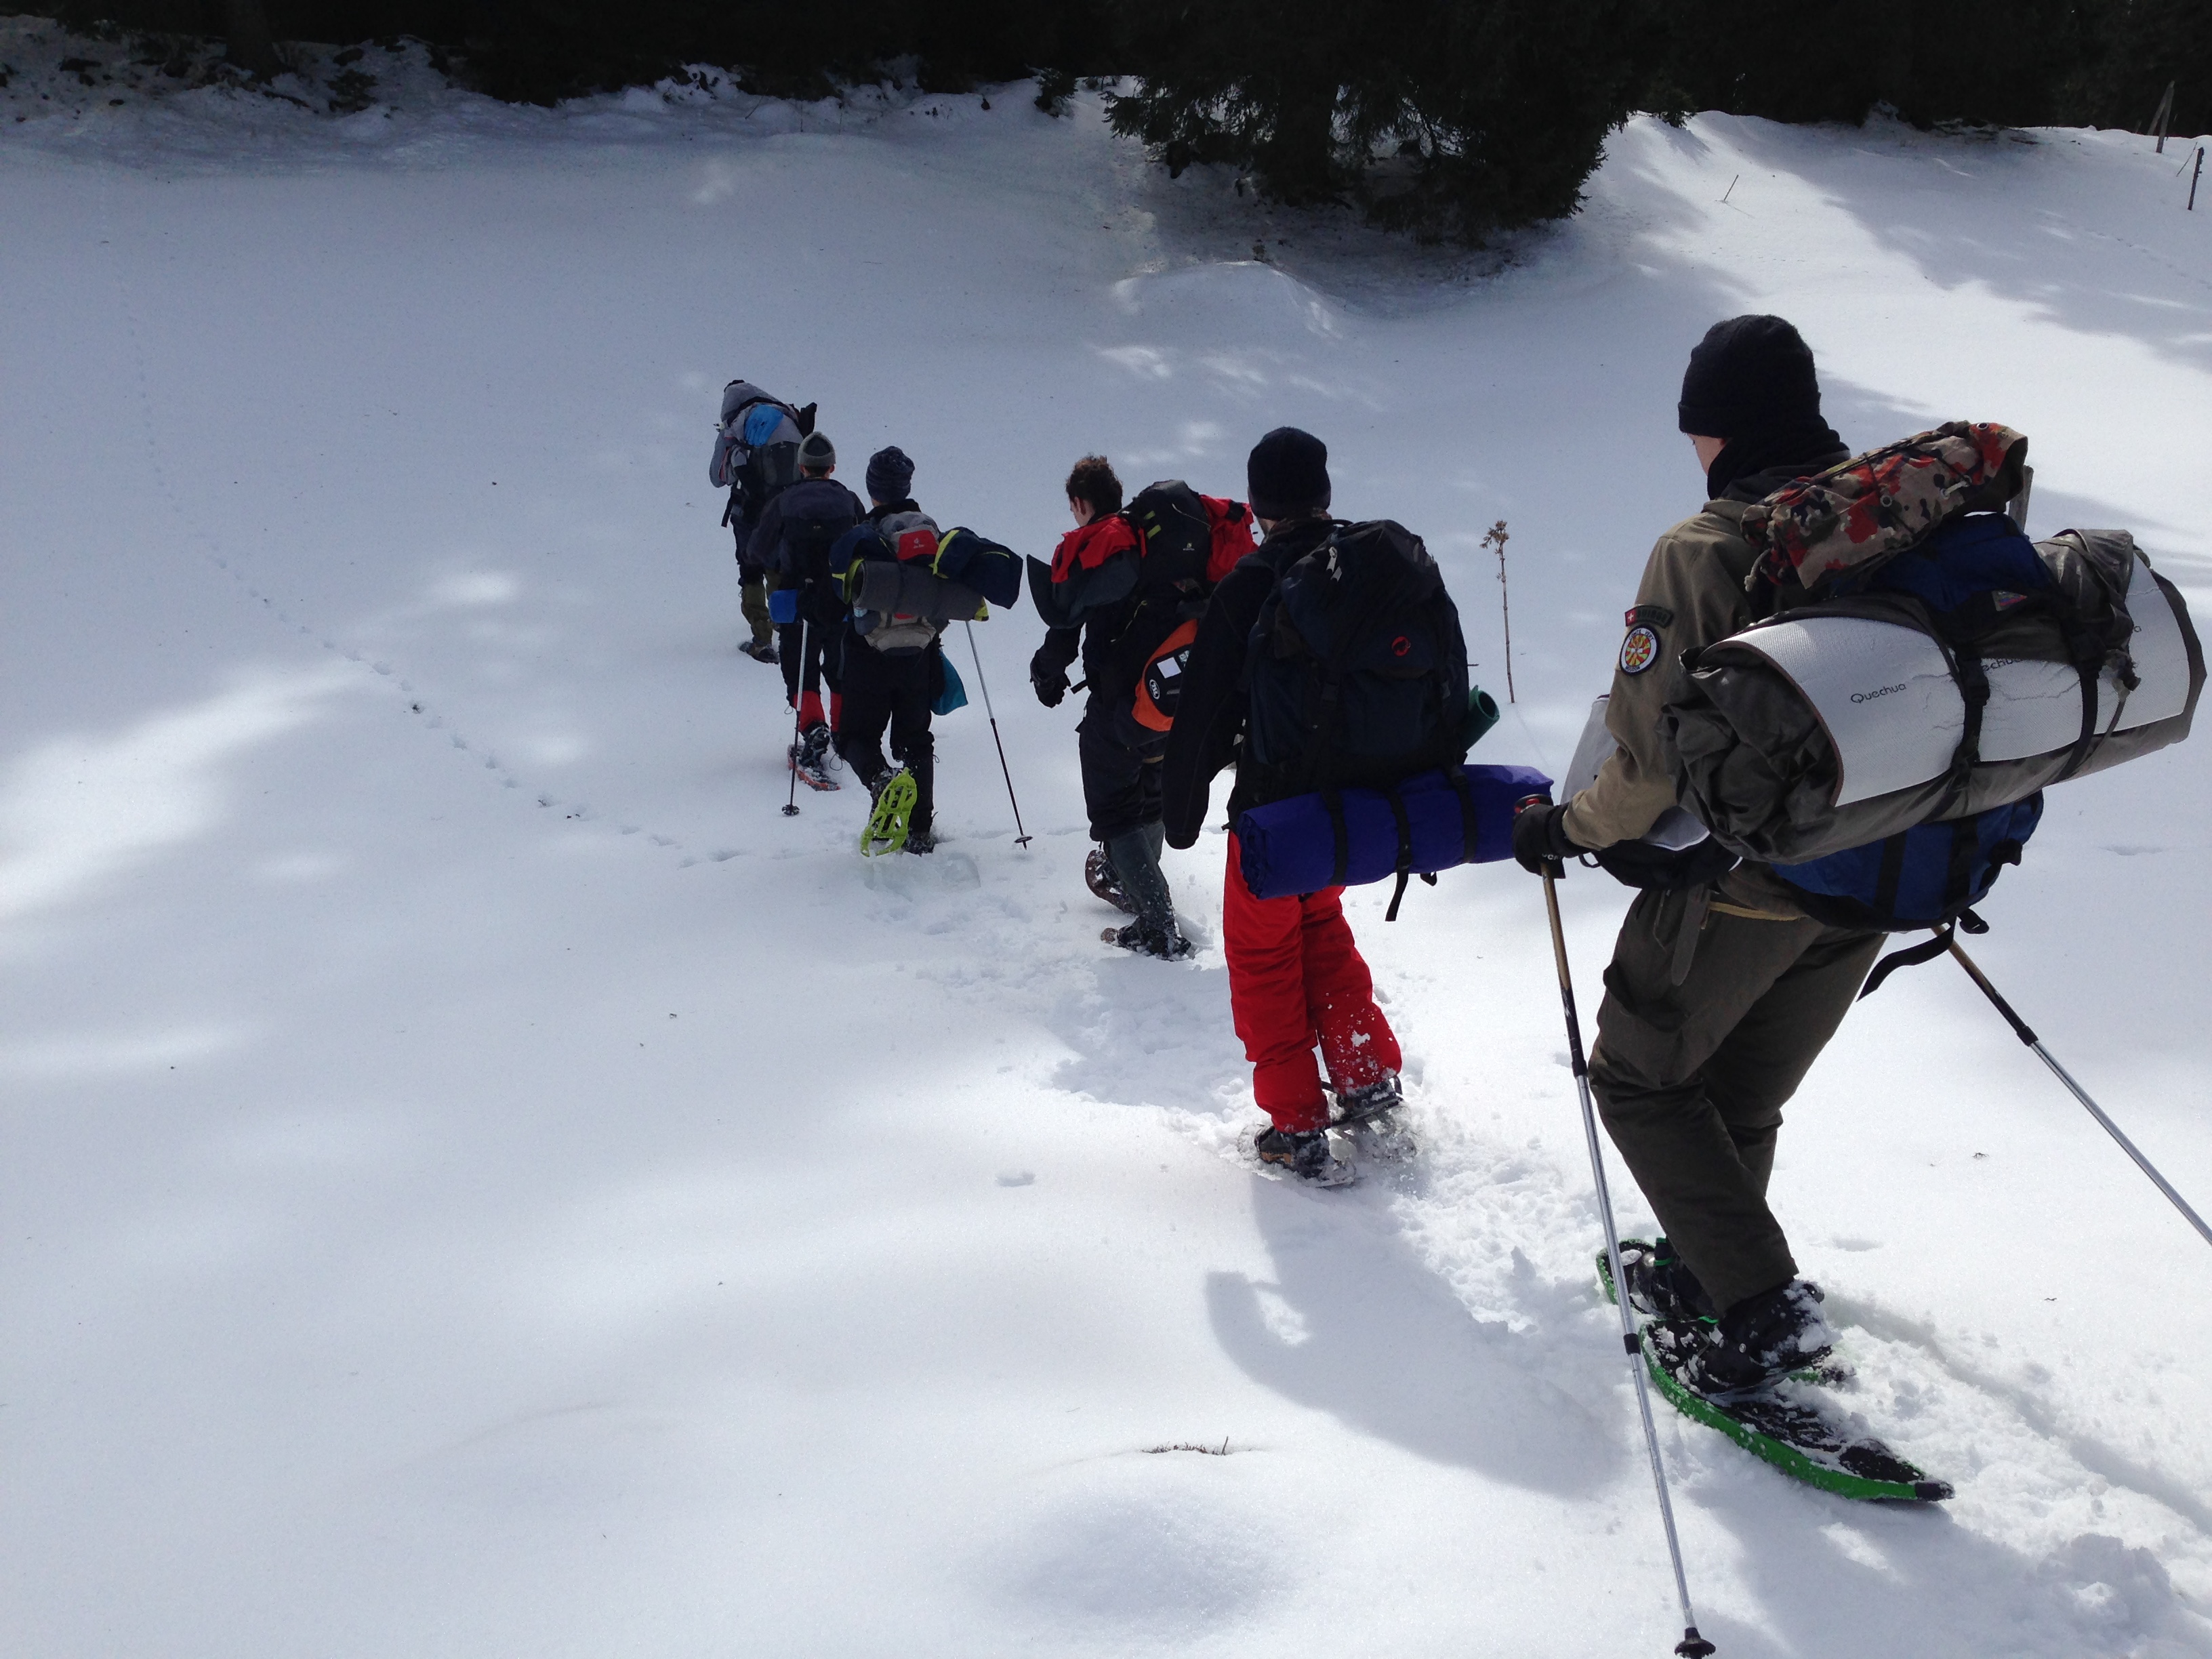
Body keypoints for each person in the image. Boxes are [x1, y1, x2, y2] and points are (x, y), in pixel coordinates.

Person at [1509, 314, 1870, 1394]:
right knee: (1733, 1095)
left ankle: (1762, 1313)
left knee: (1638, 1078)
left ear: (1724, 429)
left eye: (1698, 431)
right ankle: (1713, 1266)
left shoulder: (1709, 547)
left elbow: (1650, 764)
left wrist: (1562, 829)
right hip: (1876, 870)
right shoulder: (1884, 513)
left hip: (1754, 882)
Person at [1160, 429, 1405, 1188]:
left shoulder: (1252, 584)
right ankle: (1366, 1079)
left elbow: (1202, 714)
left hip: (1275, 820)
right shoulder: (1367, 568)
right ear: (1324, 494)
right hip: (1357, 811)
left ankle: (1297, 1127)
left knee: (1264, 958)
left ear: (1258, 503)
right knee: (1322, 930)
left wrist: (1180, 814)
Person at [1029, 456, 1199, 958]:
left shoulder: (1097, 551)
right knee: (1150, 793)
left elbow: (1064, 629)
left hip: (1121, 705)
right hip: (1175, 693)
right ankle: (1132, 880)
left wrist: (1046, 675)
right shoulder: (1159, 545)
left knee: (1115, 811)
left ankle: (1158, 924)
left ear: (1080, 503)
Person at [832, 446, 953, 855]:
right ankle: (919, 830)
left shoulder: (863, 534)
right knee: (916, 739)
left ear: (872, 490)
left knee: (854, 735)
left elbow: (837, 591)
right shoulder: (931, 533)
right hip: (919, 653)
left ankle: (880, 779)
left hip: (869, 655)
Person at [750, 430, 863, 786]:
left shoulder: (784, 501)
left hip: (796, 599)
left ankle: (814, 728)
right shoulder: (849, 500)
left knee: (799, 668)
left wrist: (781, 559)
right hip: (841, 600)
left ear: (801, 467)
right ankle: (843, 731)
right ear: (832, 467)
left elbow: (758, 550)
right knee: (840, 666)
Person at [708, 379, 808, 665]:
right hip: (787, 506)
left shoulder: (735, 425)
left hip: (749, 511)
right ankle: (785, 625)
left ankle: (762, 640)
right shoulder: (788, 417)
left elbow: (718, 477)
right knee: (778, 565)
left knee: (751, 568)